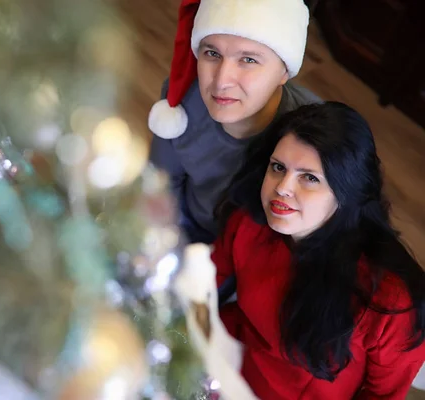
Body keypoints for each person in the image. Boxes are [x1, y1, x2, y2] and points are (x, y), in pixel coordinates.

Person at [211, 101, 425, 399]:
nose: (282, 187)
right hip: (225, 363)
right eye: (278, 167)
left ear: (345, 193)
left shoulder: (389, 302)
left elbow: (382, 396)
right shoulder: (247, 220)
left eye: (309, 177)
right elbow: (205, 283)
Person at [148, 0, 321, 244]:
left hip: (255, 257)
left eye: (248, 60)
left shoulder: (314, 132)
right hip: (188, 228)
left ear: (284, 72)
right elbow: (161, 183)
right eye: (212, 53)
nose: (221, 81)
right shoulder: (181, 99)